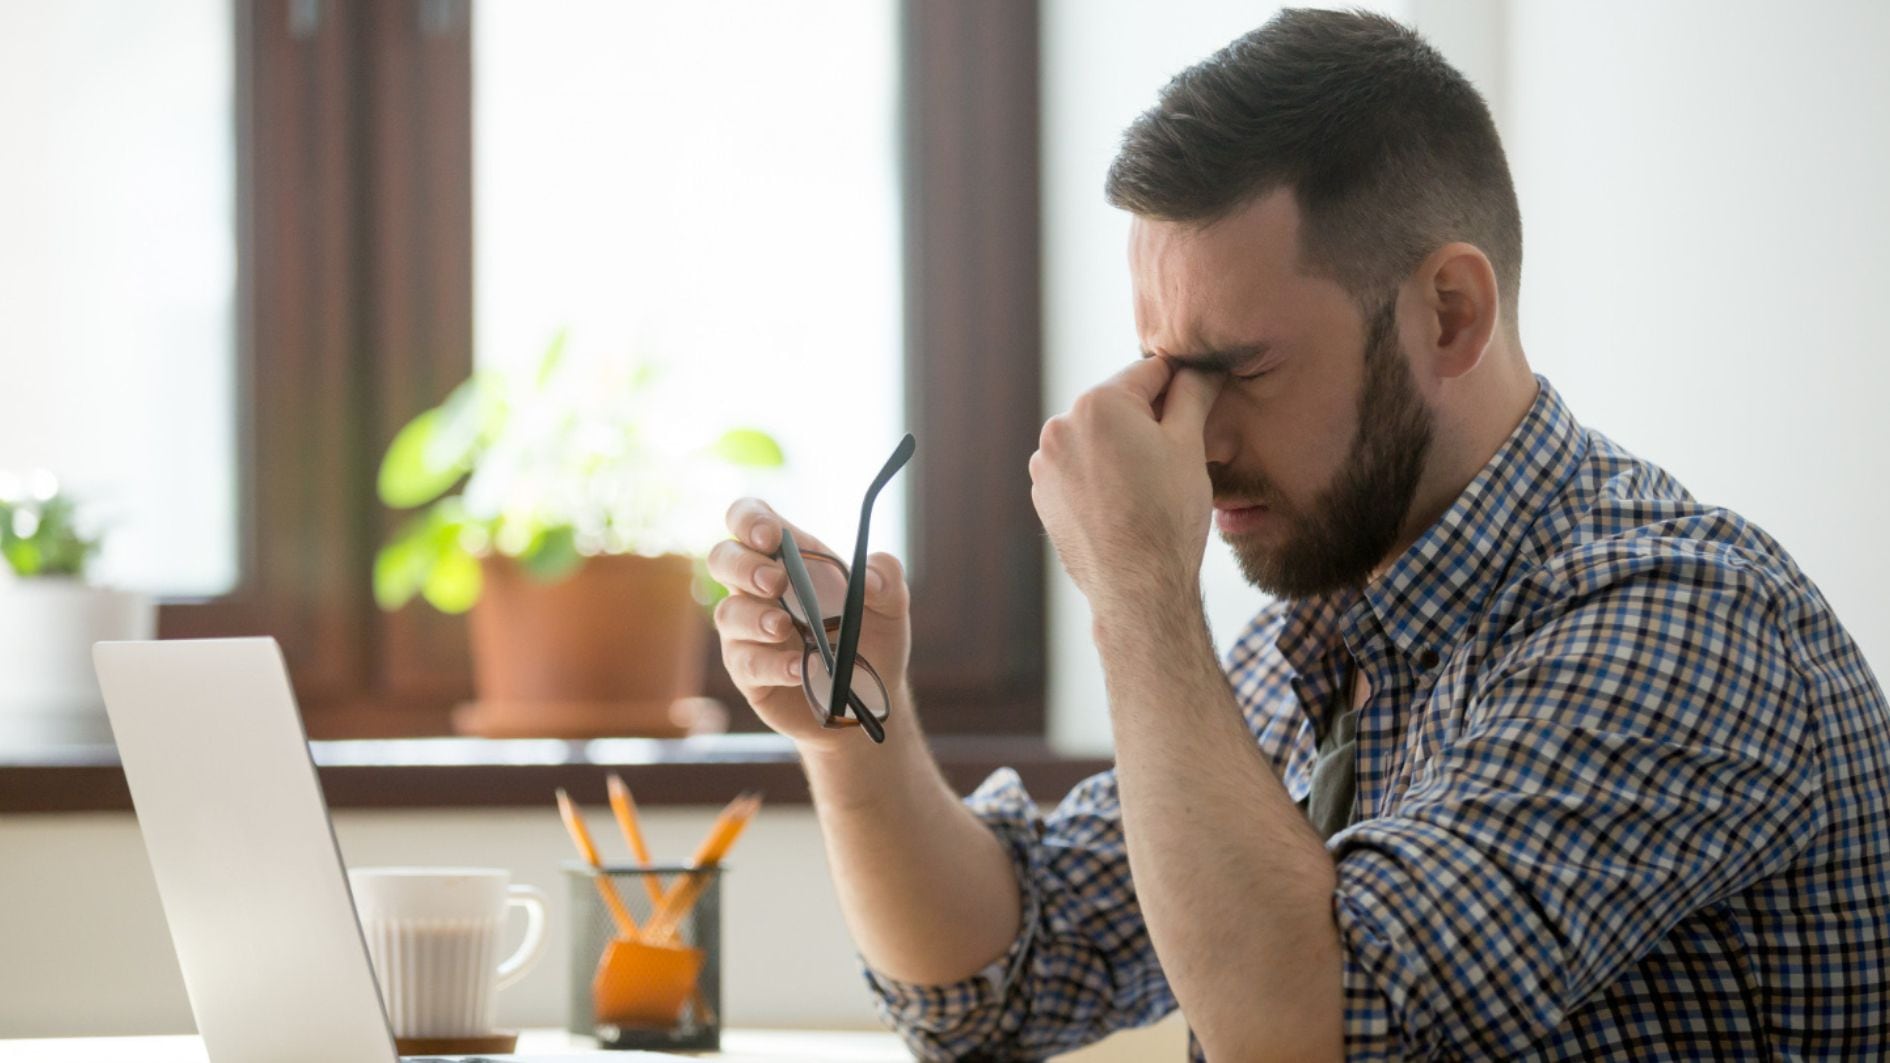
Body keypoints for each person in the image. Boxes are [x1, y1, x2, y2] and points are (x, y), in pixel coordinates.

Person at [708, 9, 1890, 1060]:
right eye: (1168, 370)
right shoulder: (1326, 639)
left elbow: (1310, 1030)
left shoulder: (1680, 621)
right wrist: (852, 736)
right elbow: (1000, 980)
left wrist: (1137, 585)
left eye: (1239, 367)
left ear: (1451, 314)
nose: (1193, 436)